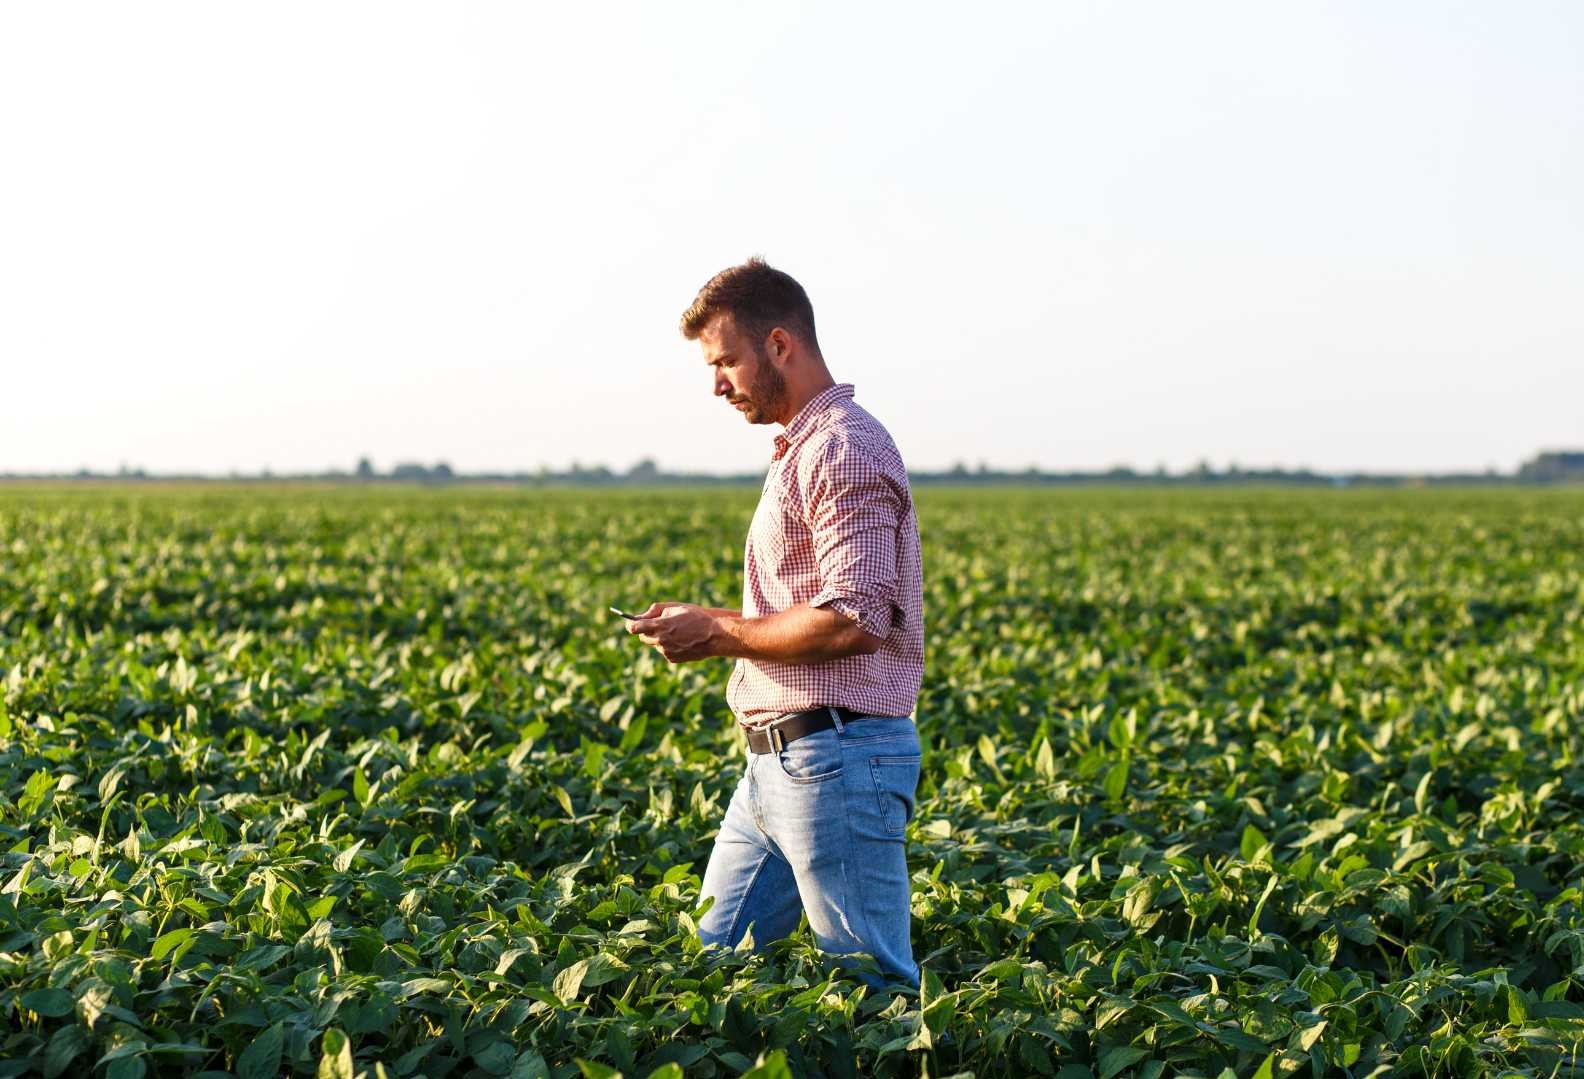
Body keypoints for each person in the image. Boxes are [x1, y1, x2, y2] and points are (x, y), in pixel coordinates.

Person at [625, 256, 926, 992]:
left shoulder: (843, 447)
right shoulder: (804, 448)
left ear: (781, 345)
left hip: (838, 756)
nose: (717, 382)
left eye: (726, 359)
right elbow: (809, 605)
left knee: (871, 993)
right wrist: (705, 621)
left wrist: (720, 636)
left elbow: (852, 619)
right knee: (709, 971)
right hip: (778, 765)